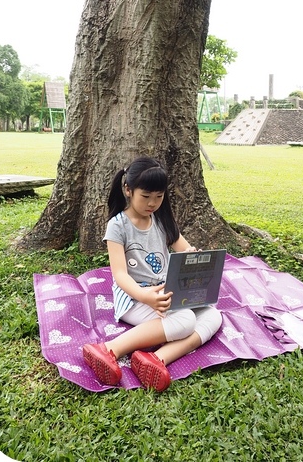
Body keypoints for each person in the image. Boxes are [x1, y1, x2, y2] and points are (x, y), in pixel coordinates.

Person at [82, 156, 223, 391]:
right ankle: (108, 349)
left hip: (166, 292)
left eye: (159, 197)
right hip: (135, 298)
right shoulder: (118, 226)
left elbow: (183, 249)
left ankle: (156, 359)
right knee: (185, 320)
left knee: (212, 316)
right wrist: (145, 296)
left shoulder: (161, 220)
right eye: (146, 196)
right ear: (128, 190)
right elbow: (120, 275)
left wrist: (193, 257)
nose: (152, 203)